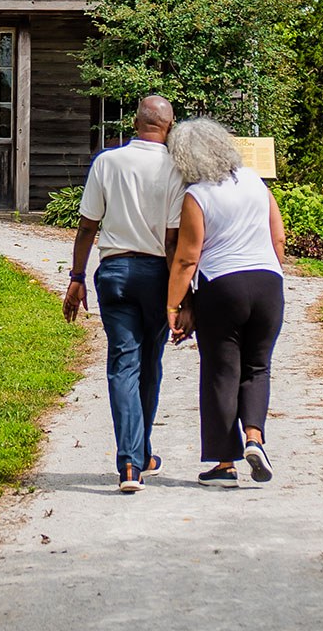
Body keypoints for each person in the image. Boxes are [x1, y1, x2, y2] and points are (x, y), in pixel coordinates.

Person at [62, 95, 184, 493]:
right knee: (151, 364)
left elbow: (86, 226)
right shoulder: (175, 168)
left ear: (135, 122)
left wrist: (77, 276)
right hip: (157, 272)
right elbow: (172, 238)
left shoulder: (107, 162)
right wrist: (180, 293)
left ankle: (132, 463)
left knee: (122, 365)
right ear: (169, 125)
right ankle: (140, 453)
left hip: (114, 272)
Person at [165, 117, 286, 487]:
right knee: (257, 367)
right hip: (268, 282)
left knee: (221, 372)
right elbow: (278, 239)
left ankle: (224, 465)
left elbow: (187, 257)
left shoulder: (197, 196)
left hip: (223, 286)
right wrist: (268, 277)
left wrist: (173, 306)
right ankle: (255, 439)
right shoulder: (255, 182)